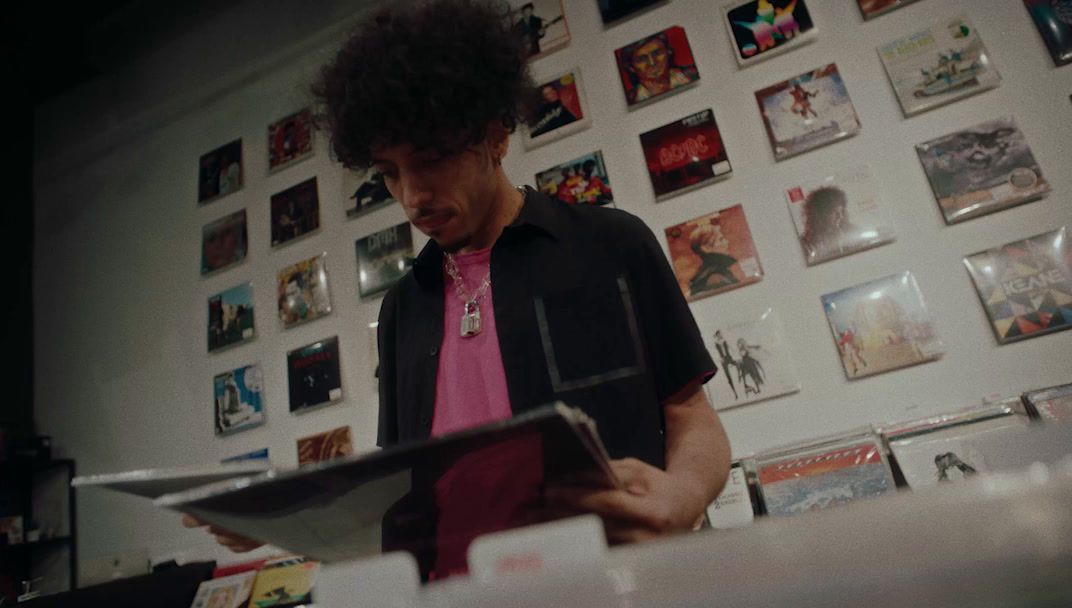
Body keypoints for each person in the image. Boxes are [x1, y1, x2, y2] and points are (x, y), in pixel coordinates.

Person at [186, 0, 730, 578]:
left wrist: (683, 496)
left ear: (495, 136)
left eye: (432, 159)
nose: (411, 196)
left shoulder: (612, 245)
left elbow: (692, 418)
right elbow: (401, 493)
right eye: (389, 171)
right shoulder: (402, 308)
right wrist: (279, 515)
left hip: (609, 585)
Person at [619, 31, 697, 104]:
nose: (652, 63)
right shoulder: (631, 99)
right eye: (642, 59)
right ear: (631, 67)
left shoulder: (693, 74)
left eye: (657, 53)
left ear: (668, 52)